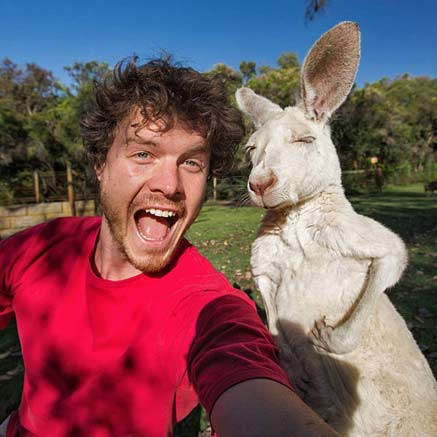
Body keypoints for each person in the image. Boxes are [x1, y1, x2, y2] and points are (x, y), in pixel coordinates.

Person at [0, 58, 337, 437]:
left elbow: (246, 376)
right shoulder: (39, 248)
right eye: (144, 154)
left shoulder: (208, 307)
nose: (170, 185)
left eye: (191, 162)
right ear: (100, 163)